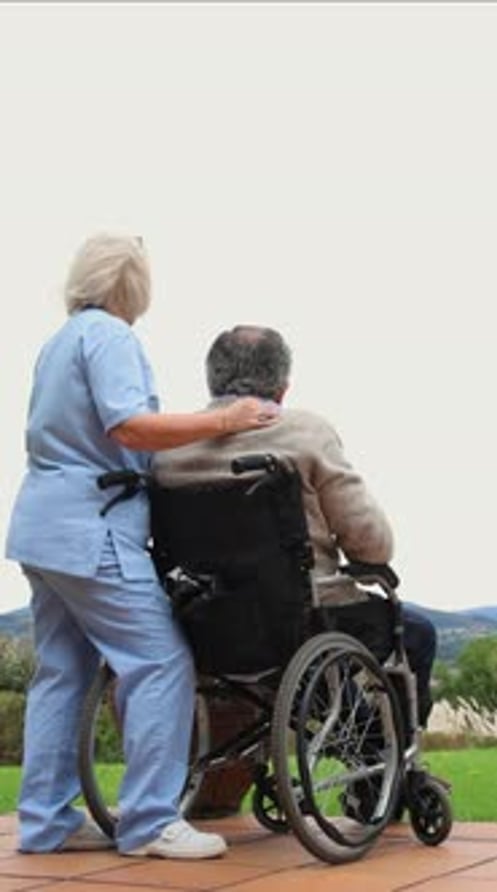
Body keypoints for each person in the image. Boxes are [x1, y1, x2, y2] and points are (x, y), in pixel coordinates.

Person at [4, 238, 278, 860]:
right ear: (135, 285)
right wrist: (224, 421)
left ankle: (45, 822)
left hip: (43, 525)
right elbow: (127, 426)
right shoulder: (110, 337)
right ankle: (151, 821)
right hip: (91, 528)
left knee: (62, 675)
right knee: (159, 662)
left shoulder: (59, 342)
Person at [153, 325, 437, 731]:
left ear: (211, 378)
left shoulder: (169, 452)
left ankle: (369, 758)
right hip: (301, 617)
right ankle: (392, 772)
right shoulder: (306, 433)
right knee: (418, 634)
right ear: (283, 387)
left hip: (206, 624)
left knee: (307, 650)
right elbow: (373, 547)